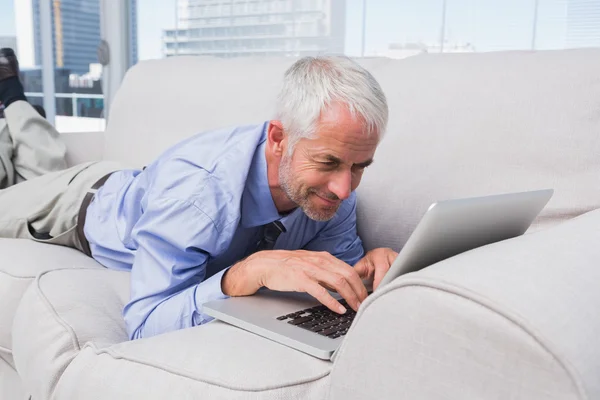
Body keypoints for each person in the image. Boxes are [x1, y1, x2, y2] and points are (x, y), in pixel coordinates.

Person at [0, 47, 398, 340]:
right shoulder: (197, 194)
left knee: (42, 161)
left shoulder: (334, 193)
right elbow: (143, 324)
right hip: (78, 206)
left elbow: (335, 280)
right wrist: (240, 274)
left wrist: (365, 271)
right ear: (279, 138)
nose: (345, 188)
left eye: (359, 166)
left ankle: (12, 99)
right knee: (18, 180)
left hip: (144, 189)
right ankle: (14, 99)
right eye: (328, 162)